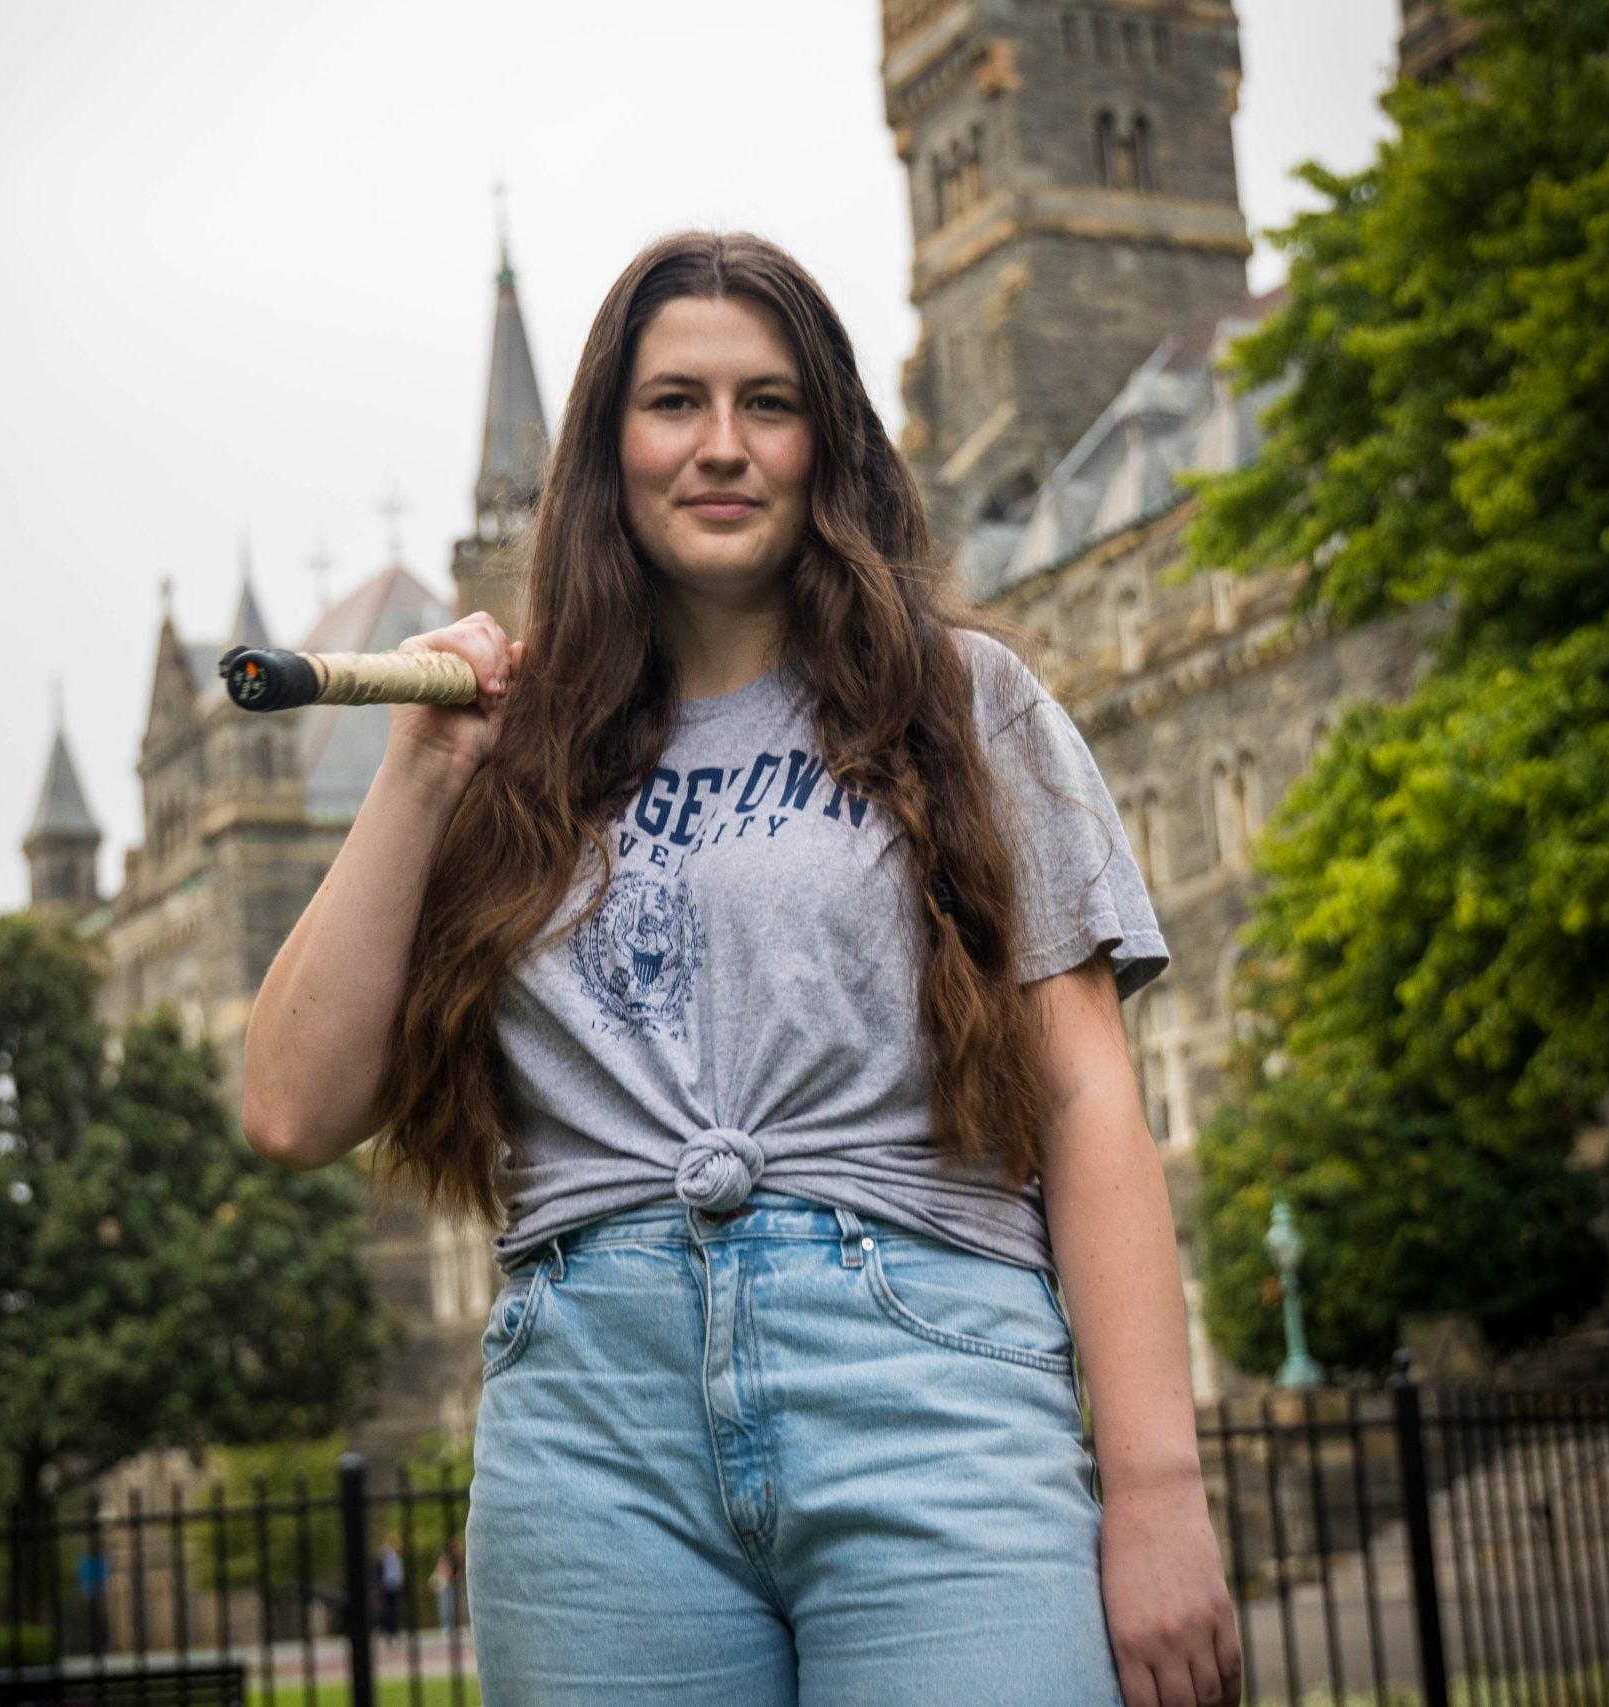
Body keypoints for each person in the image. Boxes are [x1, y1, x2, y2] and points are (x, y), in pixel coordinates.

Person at [244, 231, 1240, 1707]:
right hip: (594, 1427)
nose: (722, 446)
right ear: (607, 443)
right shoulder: (503, 757)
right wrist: (419, 772)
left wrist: (1156, 1487)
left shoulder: (966, 703)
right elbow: (290, 1107)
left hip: (923, 1375)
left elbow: (1091, 1092)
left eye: (767, 402)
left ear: (827, 437)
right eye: (674, 403)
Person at [376, 1531, 405, 1637]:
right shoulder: (385, 1552)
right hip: (387, 1583)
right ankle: (387, 1629)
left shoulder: (396, 1554)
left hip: (395, 1583)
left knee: (394, 1607)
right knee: (388, 1607)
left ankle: (394, 1629)